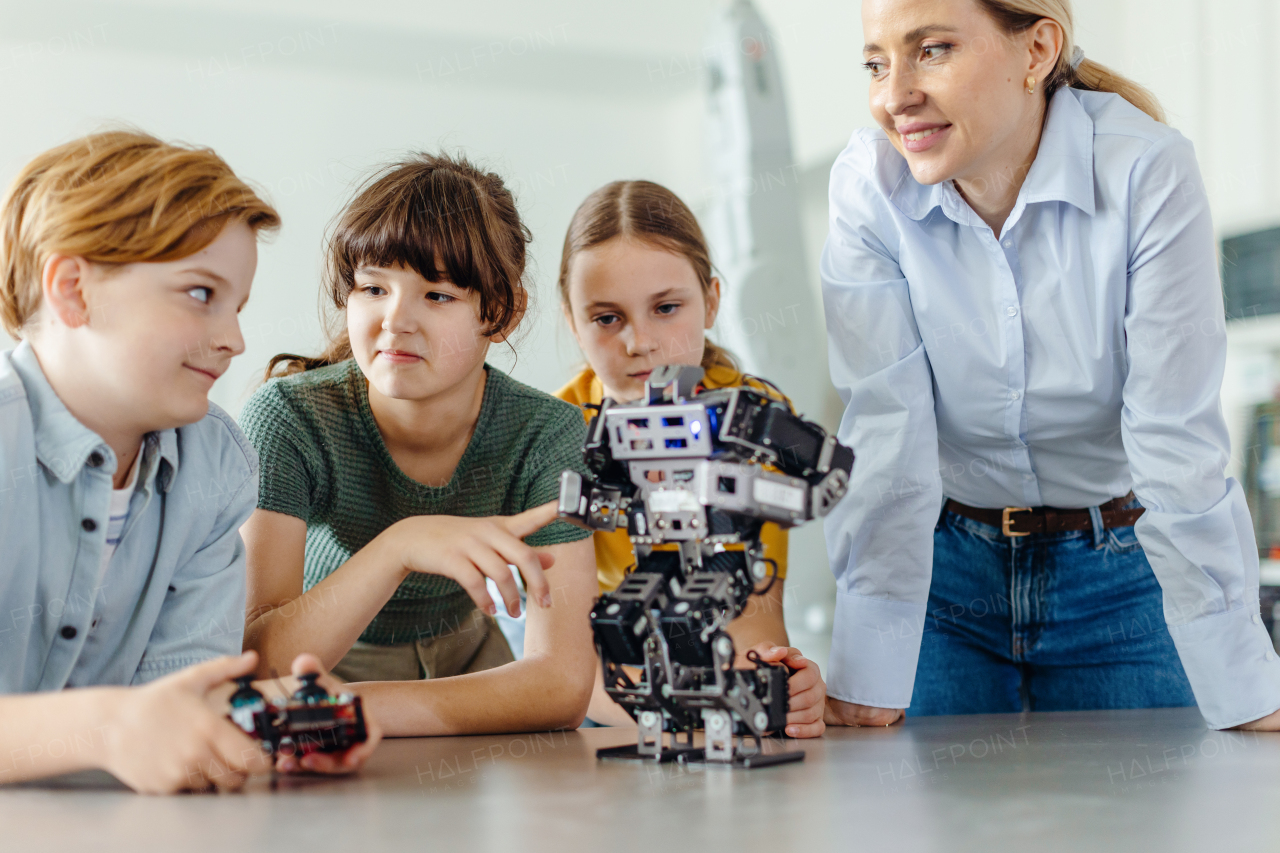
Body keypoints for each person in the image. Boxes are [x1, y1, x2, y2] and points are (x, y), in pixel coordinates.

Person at [821, 0, 1280, 731]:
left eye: (932, 50)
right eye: (876, 62)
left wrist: (1246, 682)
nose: (892, 95)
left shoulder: (1145, 171)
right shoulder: (869, 185)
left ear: (1036, 50)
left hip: (1123, 572)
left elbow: (1172, 436)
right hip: (945, 572)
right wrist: (869, 660)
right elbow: (885, 430)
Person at [0, 130, 377, 792]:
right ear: (73, 290)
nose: (233, 339)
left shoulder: (214, 466)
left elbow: (177, 694)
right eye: (201, 294)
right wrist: (109, 727)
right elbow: (128, 727)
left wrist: (269, 726)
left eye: (238, 306)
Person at [238, 152, 597, 736]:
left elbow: (560, 685)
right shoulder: (288, 419)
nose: (394, 321)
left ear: (501, 312)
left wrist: (348, 711)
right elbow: (259, 670)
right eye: (373, 288)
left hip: (472, 671)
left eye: (437, 295)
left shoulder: (548, 434)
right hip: (325, 658)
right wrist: (399, 546)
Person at [555, 179, 827, 738]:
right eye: (607, 318)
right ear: (570, 318)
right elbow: (567, 665)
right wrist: (678, 709)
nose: (640, 342)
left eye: (666, 308)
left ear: (712, 300)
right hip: (595, 677)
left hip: (694, 663)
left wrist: (776, 684)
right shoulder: (555, 429)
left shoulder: (753, 418)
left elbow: (754, 617)